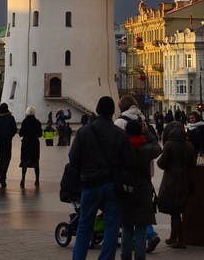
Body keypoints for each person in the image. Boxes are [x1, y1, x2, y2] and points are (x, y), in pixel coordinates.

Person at [68, 95, 134, 260]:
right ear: (113, 112)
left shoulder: (84, 132)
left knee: (84, 225)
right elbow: (129, 161)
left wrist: (83, 172)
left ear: (97, 110)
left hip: (90, 184)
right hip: (112, 185)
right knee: (111, 226)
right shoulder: (119, 134)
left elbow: (73, 157)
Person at [114, 94, 160, 253]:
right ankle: (148, 237)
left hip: (126, 179)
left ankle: (128, 252)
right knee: (141, 217)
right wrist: (147, 133)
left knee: (127, 224)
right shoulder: (144, 121)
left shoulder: (119, 123)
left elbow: (114, 147)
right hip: (144, 175)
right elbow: (156, 146)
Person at [121, 119, 162, 260]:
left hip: (125, 190)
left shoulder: (122, 148)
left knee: (126, 227)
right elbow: (158, 147)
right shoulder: (146, 149)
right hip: (143, 189)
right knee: (141, 228)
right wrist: (148, 132)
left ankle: (125, 257)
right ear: (141, 131)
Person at [157, 121, 196, 250]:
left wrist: (168, 166)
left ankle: (180, 240)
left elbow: (161, 163)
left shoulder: (169, 145)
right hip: (185, 179)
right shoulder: (189, 146)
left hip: (171, 180)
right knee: (178, 209)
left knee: (174, 211)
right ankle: (174, 237)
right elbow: (192, 165)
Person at [0, 102, 17, 187]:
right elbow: (14, 129)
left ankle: (2, 176)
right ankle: (3, 176)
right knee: (7, 159)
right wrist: (10, 136)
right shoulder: (11, 118)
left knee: (1, 160)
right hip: (7, 141)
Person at [18, 106, 42, 187]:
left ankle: (23, 178)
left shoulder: (24, 121)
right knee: (36, 162)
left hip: (26, 143)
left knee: (24, 161)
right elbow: (40, 134)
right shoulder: (37, 122)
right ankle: (37, 180)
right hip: (35, 143)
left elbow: (20, 133)